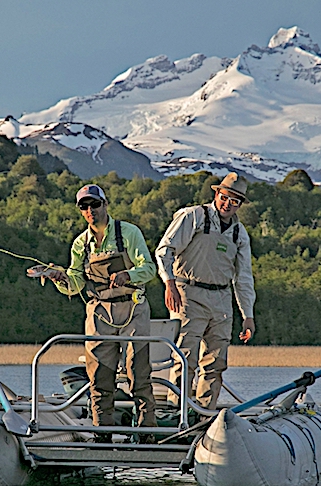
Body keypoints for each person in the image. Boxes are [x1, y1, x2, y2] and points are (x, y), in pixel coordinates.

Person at [42, 184, 158, 443]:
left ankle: (147, 433)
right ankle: (101, 434)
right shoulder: (80, 244)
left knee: (138, 373)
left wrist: (129, 275)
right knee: (99, 378)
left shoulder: (128, 233)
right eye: (84, 206)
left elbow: (149, 268)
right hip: (98, 312)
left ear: (105, 205)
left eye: (94, 204)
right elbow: (75, 284)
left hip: (133, 307)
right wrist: (59, 278)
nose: (90, 210)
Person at [155, 173, 256, 411]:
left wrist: (247, 315)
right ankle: (177, 412)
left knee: (216, 362)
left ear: (240, 204)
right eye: (224, 197)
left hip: (221, 300)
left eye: (234, 201)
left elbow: (243, 277)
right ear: (216, 194)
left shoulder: (239, 233)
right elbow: (164, 251)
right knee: (184, 357)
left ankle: (204, 413)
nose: (227, 204)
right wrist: (169, 283)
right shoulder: (193, 216)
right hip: (188, 293)